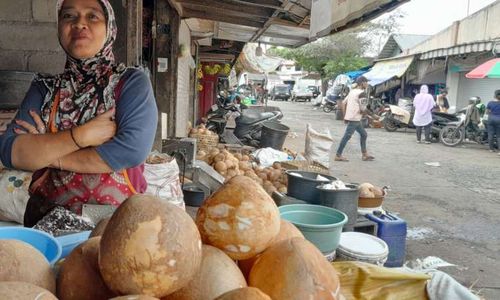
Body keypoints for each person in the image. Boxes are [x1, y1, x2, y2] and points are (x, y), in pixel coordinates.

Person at [0, 0, 158, 224]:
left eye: (92, 16)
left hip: (116, 227)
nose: (79, 24)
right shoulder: (44, 88)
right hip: (46, 219)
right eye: (68, 16)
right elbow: (9, 151)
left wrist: (46, 153)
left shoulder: (130, 83)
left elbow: (130, 151)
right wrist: (81, 136)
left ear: (110, 27)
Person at [335, 76, 375, 162]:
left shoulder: (352, 92)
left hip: (353, 118)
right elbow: (363, 109)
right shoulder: (362, 93)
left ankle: (364, 154)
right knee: (347, 136)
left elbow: (343, 103)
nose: (367, 84)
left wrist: (345, 116)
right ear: (362, 83)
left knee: (363, 134)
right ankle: (338, 155)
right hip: (355, 118)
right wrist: (372, 116)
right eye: (366, 82)